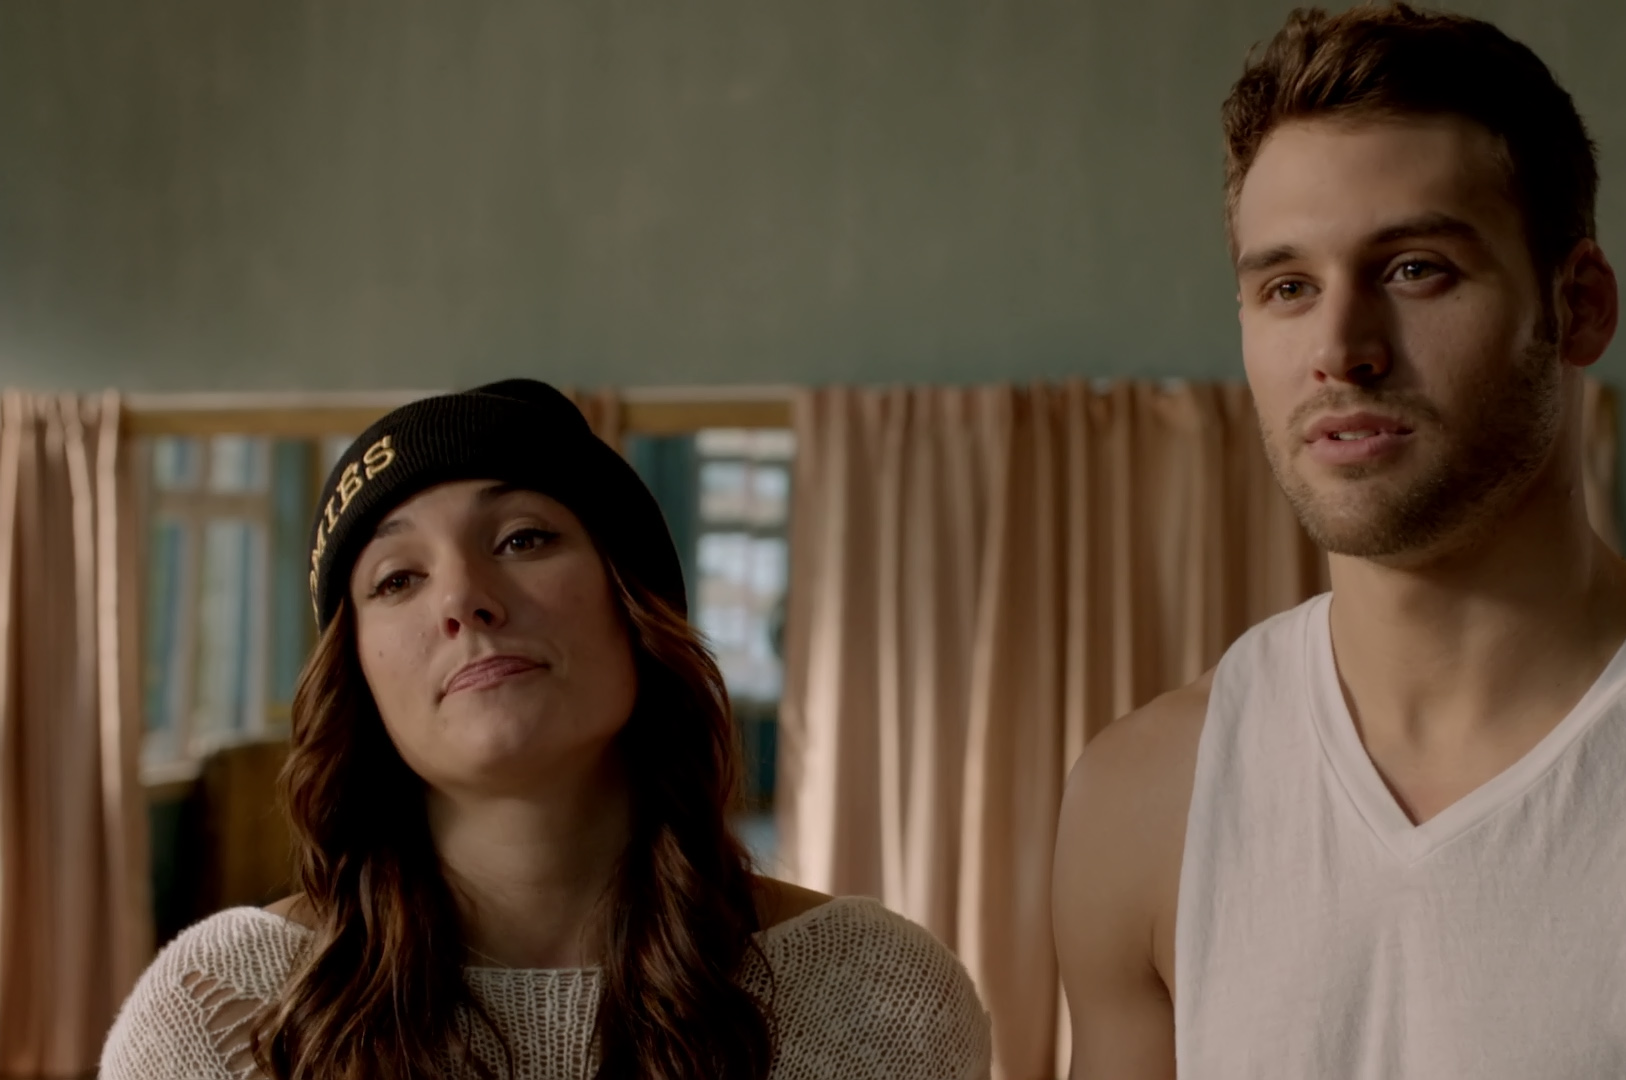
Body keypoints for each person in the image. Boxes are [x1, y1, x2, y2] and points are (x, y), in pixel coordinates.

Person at [1053, 5, 1626, 1078]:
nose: (1341, 348)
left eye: (1415, 268)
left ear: (1579, 306)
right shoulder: (1145, 802)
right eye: (1288, 287)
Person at [101, 380, 992, 1080]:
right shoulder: (211, 1020)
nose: (463, 600)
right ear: (356, 676)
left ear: (637, 608)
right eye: (397, 578)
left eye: (523, 539)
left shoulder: (879, 995)